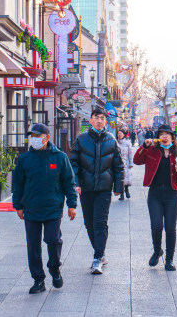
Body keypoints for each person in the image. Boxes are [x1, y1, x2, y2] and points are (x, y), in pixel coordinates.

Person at [12, 123, 78, 294]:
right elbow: (17, 184)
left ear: (47, 138)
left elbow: (69, 183)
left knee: (53, 240)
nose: (33, 139)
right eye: (31, 136)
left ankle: (54, 268)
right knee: (33, 246)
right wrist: (17, 205)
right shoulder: (25, 159)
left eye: (37, 136)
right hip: (31, 209)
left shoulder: (60, 157)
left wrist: (72, 205)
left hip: (53, 208)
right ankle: (38, 279)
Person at [69, 107, 124, 274]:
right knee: (89, 223)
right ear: (91, 120)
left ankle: (97, 257)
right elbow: (73, 164)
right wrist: (76, 182)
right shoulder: (81, 140)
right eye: (96, 118)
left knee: (100, 222)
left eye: (102, 118)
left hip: (104, 189)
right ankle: (101, 253)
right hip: (86, 188)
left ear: (105, 121)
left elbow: (118, 166)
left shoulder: (111, 140)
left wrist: (118, 187)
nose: (99, 120)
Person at [134, 124, 177, 271]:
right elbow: (136, 161)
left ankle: (169, 259)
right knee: (157, 225)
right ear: (158, 137)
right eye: (162, 134)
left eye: (167, 134)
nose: (165, 137)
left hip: (172, 194)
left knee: (170, 228)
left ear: (172, 136)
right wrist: (144, 147)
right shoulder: (152, 150)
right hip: (155, 194)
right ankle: (157, 251)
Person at [117, 128, 133, 200]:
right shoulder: (115, 143)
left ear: (123, 134)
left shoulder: (127, 143)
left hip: (126, 163)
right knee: (119, 179)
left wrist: (131, 163)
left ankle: (126, 190)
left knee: (126, 178)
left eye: (121, 133)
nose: (119, 135)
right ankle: (121, 194)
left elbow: (130, 153)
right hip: (117, 163)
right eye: (118, 133)